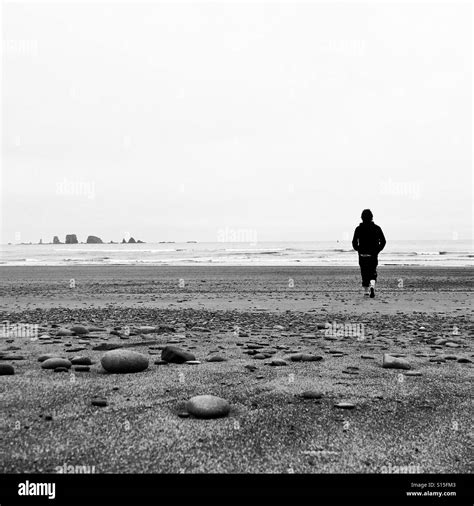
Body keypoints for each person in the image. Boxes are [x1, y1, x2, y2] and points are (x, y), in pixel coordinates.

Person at [352, 209, 386, 298]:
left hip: (363, 255)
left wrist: (358, 249)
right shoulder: (377, 228)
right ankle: (372, 287)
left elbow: (354, 242)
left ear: (362, 218)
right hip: (373, 255)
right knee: (372, 273)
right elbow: (383, 241)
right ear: (372, 217)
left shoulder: (358, 229)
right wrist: (377, 250)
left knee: (364, 273)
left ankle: (366, 291)